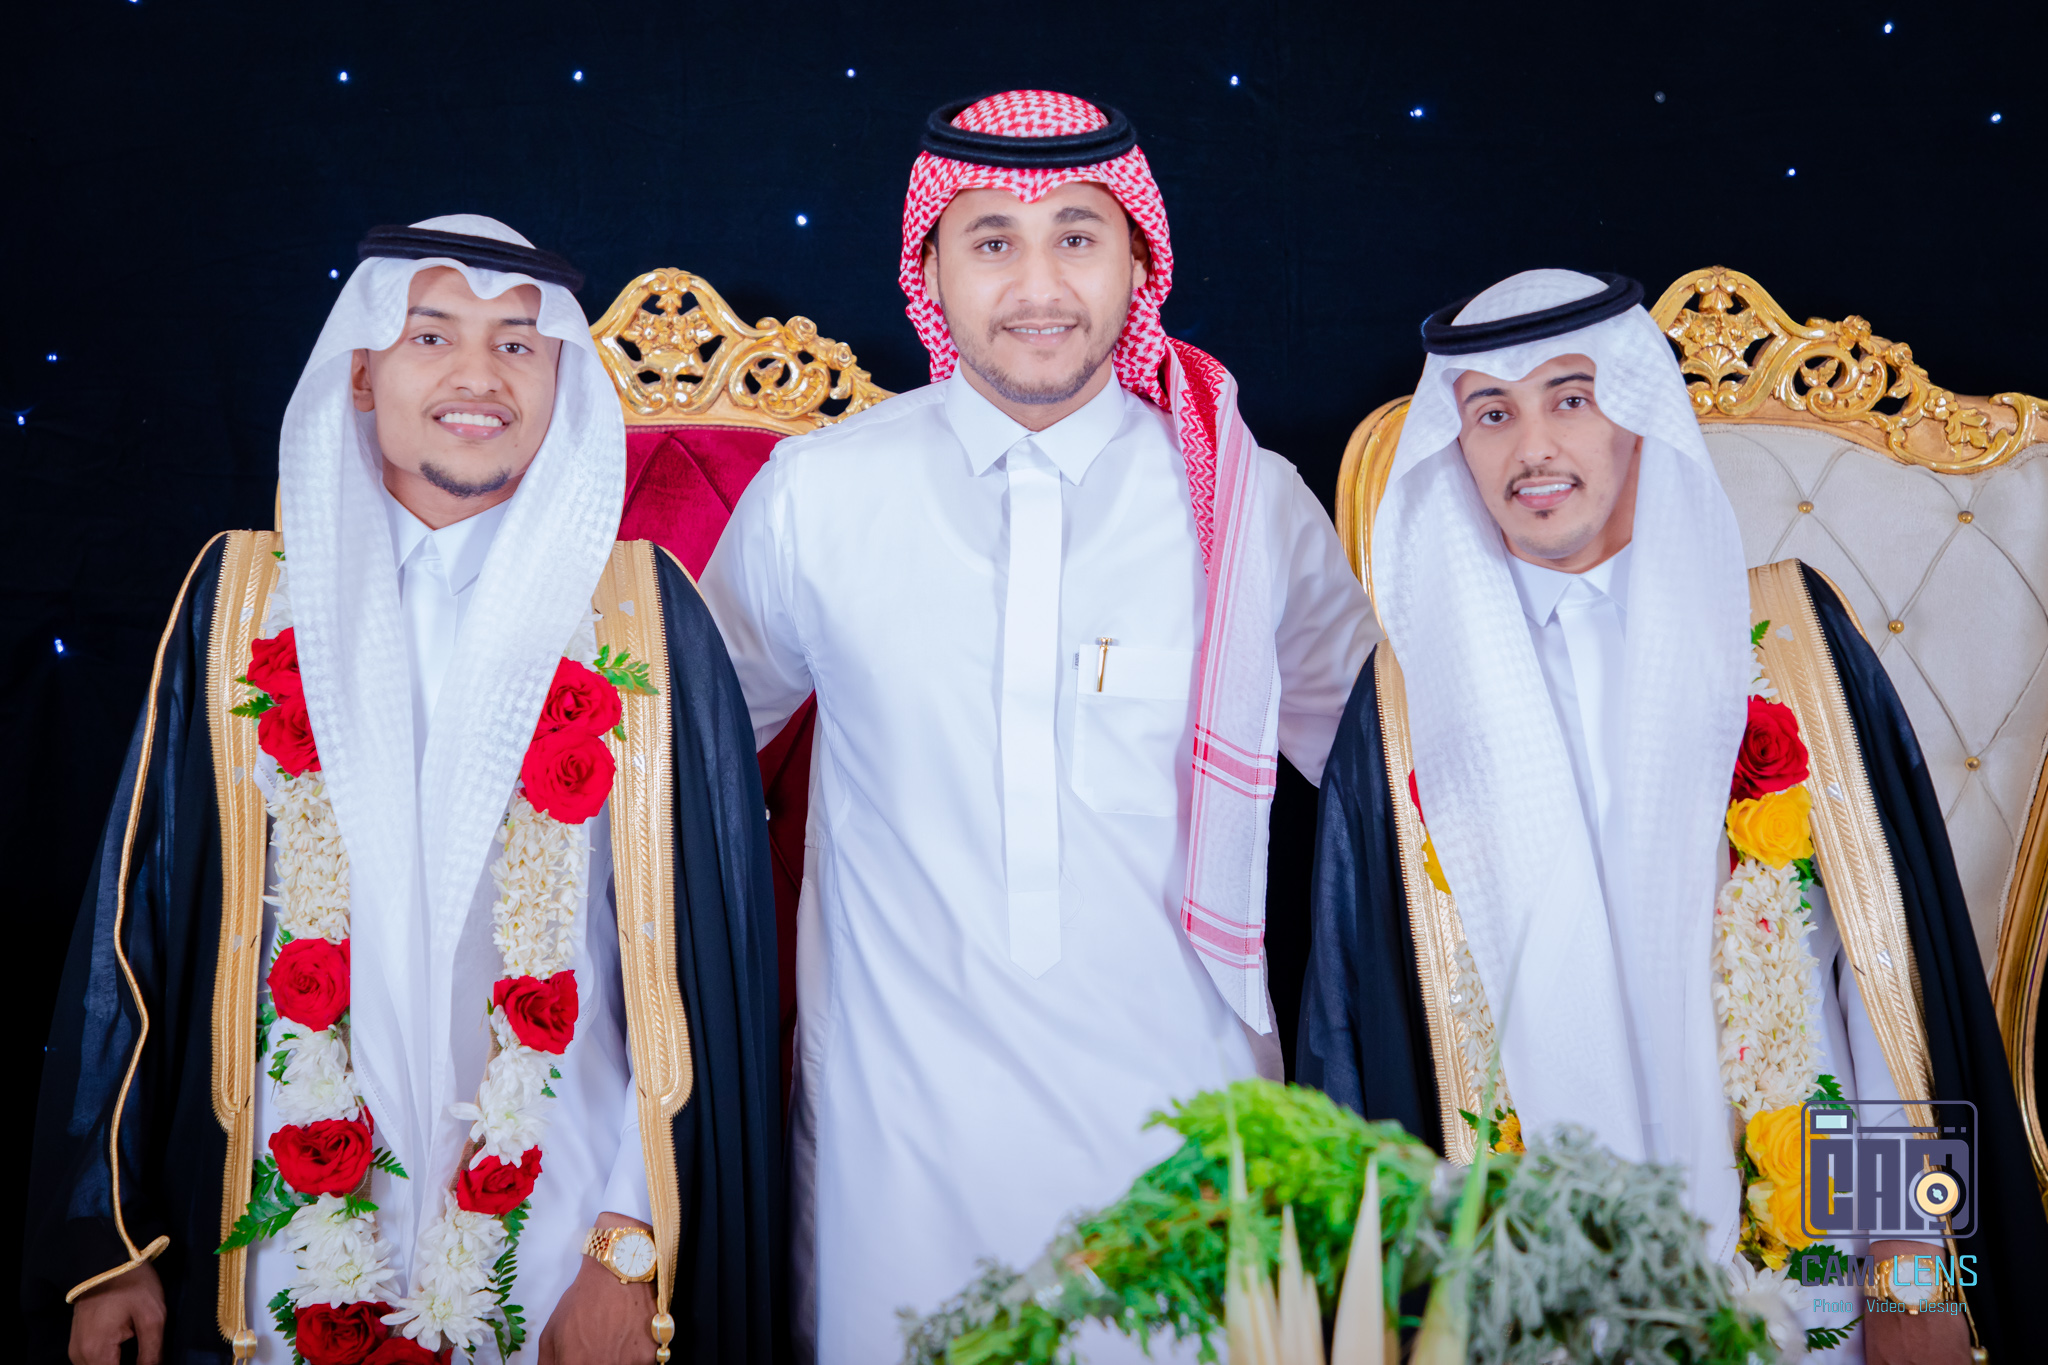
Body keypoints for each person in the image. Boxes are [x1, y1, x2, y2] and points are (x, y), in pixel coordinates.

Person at [27, 216, 784, 1365]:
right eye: (432, 336)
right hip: (278, 1229)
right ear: (362, 373)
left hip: (562, 1232)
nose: (479, 375)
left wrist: (629, 1247)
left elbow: (700, 965)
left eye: (517, 344)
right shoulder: (240, 607)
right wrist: (113, 1238)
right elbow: (132, 931)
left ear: (559, 383)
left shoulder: (642, 616)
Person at [698, 91, 1372, 1361]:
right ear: (930, 270)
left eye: (1076, 235)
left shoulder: (1245, 505)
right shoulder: (819, 496)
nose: (1038, 285)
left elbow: (1387, 778)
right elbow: (680, 763)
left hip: (1183, 1140)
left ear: (1137, 264)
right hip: (897, 1148)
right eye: (991, 240)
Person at [1297, 268, 2047, 1364]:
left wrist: (1909, 1280)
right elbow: (1364, 1042)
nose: (1532, 448)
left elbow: (1885, 991)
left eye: (1570, 397)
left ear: (1636, 413)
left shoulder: (1786, 640)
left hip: (1811, 1289)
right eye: (1491, 414)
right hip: (1531, 1303)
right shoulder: (1406, 712)